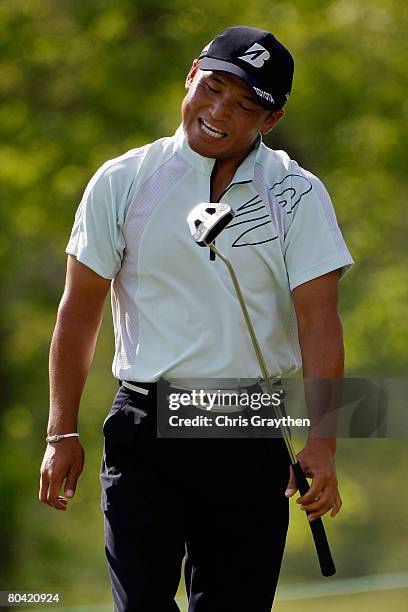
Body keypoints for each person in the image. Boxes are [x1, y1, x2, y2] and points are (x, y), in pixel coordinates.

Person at [39, 25, 353, 612]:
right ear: (190, 75)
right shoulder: (123, 180)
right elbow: (80, 311)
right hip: (144, 421)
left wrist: (324, 442)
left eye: (244, 105)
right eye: (211, 89)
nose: (218, 112)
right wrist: (62, 431)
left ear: (271, 119)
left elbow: (320, 322)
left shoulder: (297, 194)